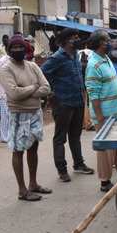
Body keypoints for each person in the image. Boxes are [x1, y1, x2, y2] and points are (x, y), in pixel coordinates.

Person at [0, 35, 52, 202]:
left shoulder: (33, 66)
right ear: (8, 50)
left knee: (33, 149)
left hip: (35, 112)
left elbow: (47, 88)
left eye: (20, 47)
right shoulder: (6, 69)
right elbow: (13, 94)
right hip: (19, 114)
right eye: (13, 48)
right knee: (18, 151)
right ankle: (22, 190)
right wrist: (35, 88)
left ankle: (33, 184)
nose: (17, 50)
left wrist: (27, 90)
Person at [42, 29, 94, 183]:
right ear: (65, 41)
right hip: (63, 103)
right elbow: (42, 74)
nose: (77, 40)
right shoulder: (57, 58)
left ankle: (79, 164)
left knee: (75, 135)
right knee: (60, 138)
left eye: (78, 37)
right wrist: (51, 92)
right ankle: (62, 169)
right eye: (74, 38)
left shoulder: (76, 56)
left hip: (77, 101)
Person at [85, 30, 117, 192]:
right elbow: (93, 94)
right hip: (105, 116)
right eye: (108, 40)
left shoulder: (106, 58)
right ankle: (105, 181)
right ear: (101, 43)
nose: (111, 42)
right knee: (106, 150)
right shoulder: (93, 65)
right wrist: (100, 117)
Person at [0, 45, 11, 143]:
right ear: (7, 49)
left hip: (13, 93)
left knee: (11, 115)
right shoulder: (1, 61)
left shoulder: (15, 60)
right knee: (5, 116)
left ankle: (10, 135)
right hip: (4, 93)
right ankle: (5, 137)